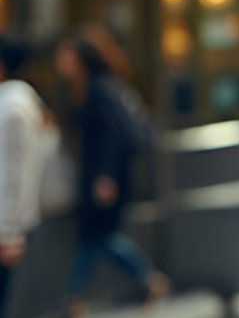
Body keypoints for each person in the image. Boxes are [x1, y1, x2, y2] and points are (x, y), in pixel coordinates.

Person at [55, 36, 168, 316]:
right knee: (96, 238)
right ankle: (76, 299)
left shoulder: (100, 90)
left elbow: (114, 137)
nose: (61, 63)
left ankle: (77, 297)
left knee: (98, 237)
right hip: (97, 176)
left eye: (67, 57)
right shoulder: (83, 90)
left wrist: (106, 176)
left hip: (104, 177)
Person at [0, 37, 54, 317]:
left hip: (9, 226)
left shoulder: (11, 109)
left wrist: (8, 233)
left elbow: (11, 173)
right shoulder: (23, 102)